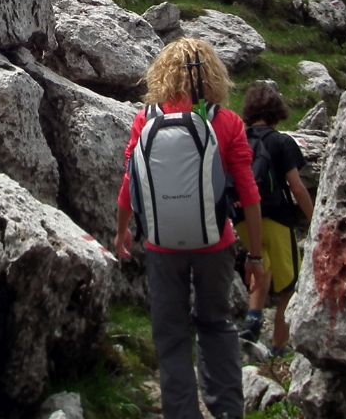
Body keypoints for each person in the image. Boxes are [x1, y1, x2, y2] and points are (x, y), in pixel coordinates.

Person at [114, 38, 269, 419]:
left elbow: (129, 184)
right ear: (215, 75)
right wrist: (255, 255)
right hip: (217, 243)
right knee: (216, 324)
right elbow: (249, 194)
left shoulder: (145, 119)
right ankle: (228, 411)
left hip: (162, 246)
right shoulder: (227, 121)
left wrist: (122, 231)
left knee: (170, 334)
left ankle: (182, 413)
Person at [234, 82, 314, 356]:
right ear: (278, 113)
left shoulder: (239, 139)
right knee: (291, 285)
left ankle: (253, 317)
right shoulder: (282, 142)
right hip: (277, 218)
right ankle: (278, 349)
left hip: (242, 216)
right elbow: (296, 186)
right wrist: (314, 217)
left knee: (260, 263)